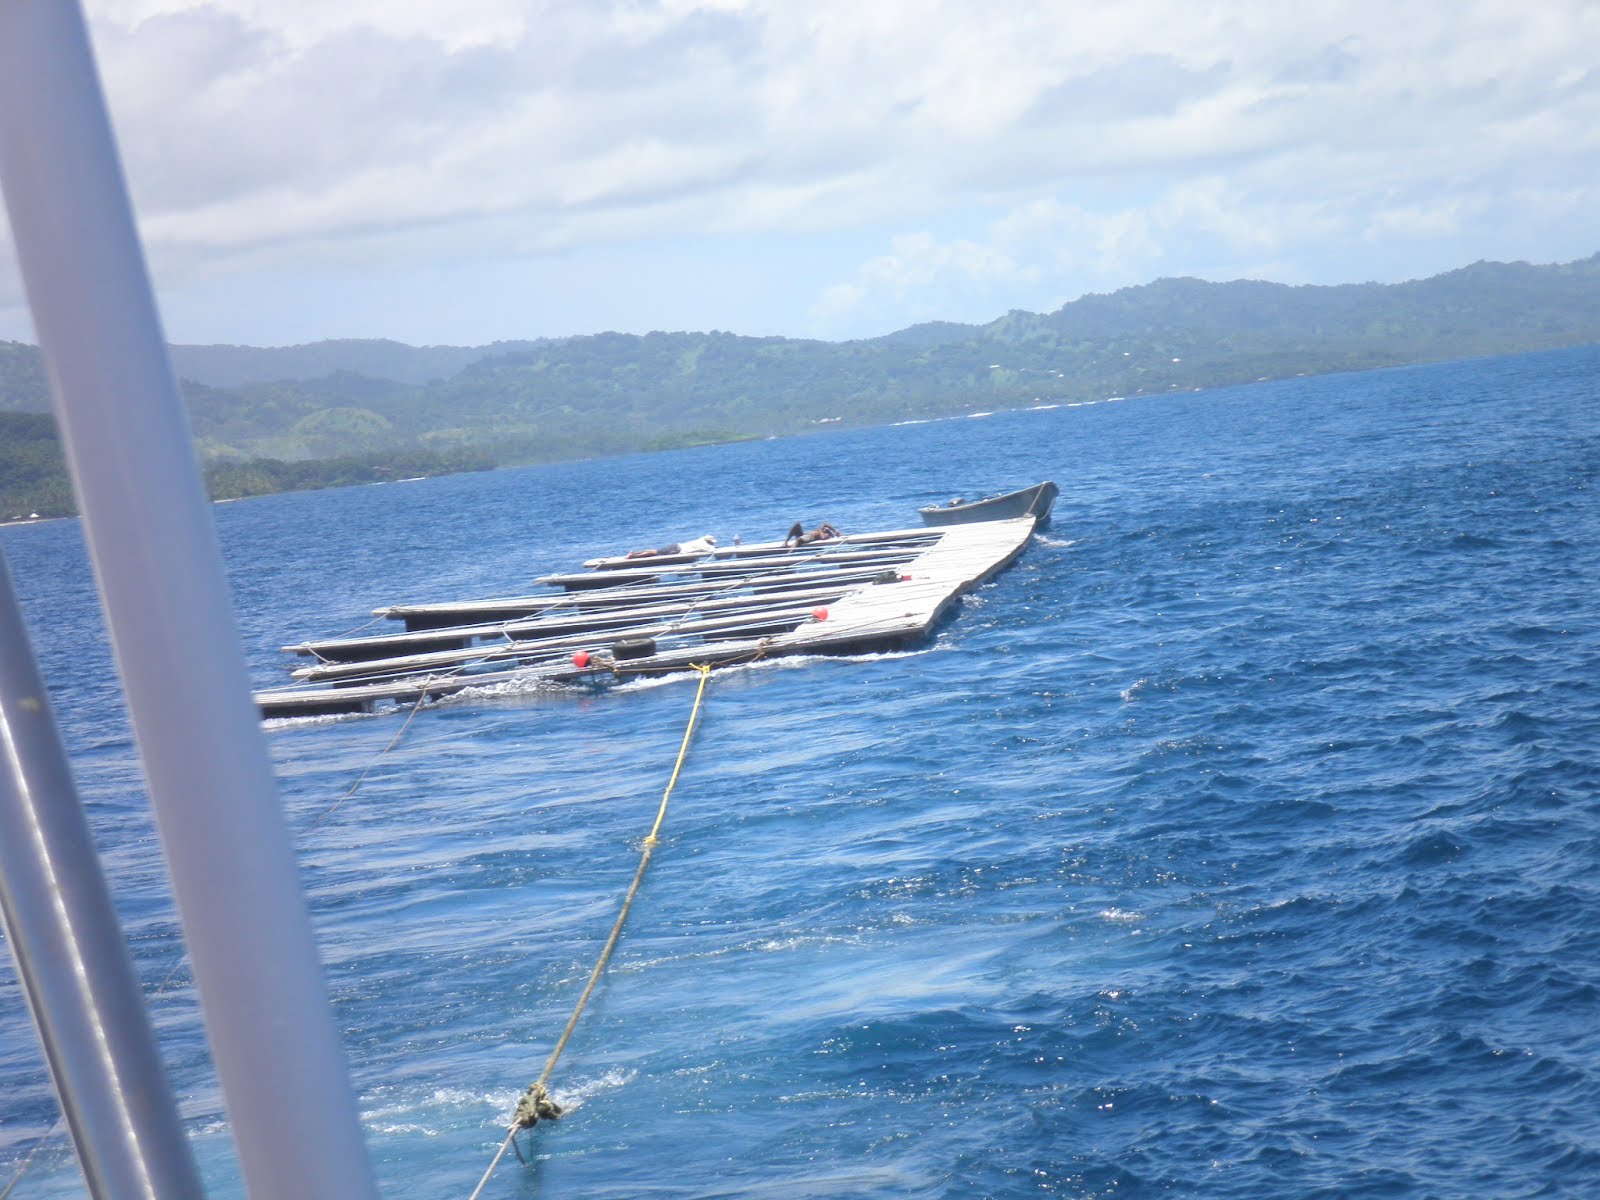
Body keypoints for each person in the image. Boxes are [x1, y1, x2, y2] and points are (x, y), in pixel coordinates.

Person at [625, 533, 717, 559]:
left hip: (676, 546)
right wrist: (714, 546)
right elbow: (712, 550)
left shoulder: (700, 539)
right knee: (655, 553)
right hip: (677, 550)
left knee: (655, 551)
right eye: (712, 542)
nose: (713, 543)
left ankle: (634, 553)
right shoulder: (705, 545)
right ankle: (633, 556)